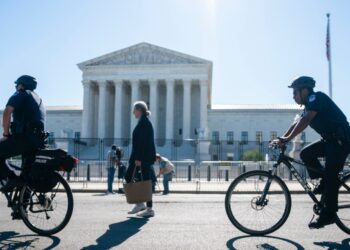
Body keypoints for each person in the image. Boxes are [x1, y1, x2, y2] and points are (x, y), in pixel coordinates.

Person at [273, 76, 350, 229]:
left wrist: (287, 139)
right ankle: (323, 182)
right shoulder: (309, 105)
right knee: (306, 154)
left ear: (305, 90)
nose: (293, 95)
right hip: (330, 141)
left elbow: (306, 120)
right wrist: (283, 138)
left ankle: (328, 214)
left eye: (295, 92)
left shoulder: (317, 98)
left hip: (341, 141)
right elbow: (297, 123)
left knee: (331, 175)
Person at [0, 75, 46, 193]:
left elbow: (7, 112)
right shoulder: (39, 100)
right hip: (38, 140)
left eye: (17, 84)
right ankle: (21, 210)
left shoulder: (21, 93)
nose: (16, 86)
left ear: (21, 85)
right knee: (26, 174)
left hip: (25, 138)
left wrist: (5, 134)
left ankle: (11, 178)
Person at [125, 101, 156, 217]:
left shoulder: (144, 123)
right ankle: (143, 205)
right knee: (144, 181)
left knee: (131, 177)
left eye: (134, 110)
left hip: (141, 158)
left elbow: (143, 143)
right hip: (143, 157)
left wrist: (139, 159)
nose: (133, 112)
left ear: (139, 110)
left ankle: (145, 206)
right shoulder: (143, 122)